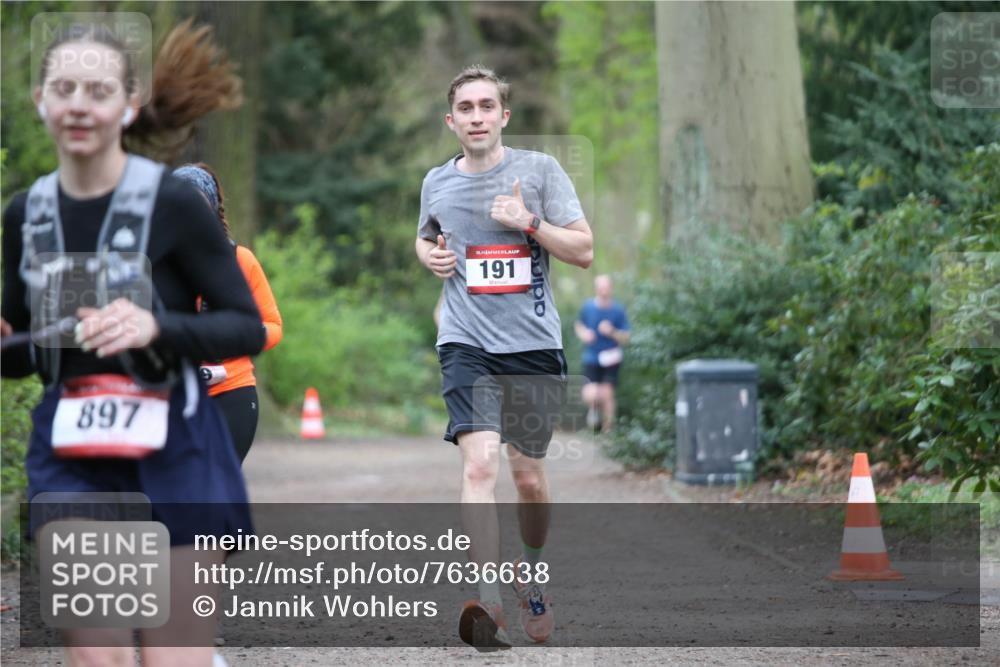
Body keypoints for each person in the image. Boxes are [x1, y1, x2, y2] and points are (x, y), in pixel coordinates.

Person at [1, 19, 261, 667]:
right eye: (64, 87)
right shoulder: (24, 216)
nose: (79, 103)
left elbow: (245, 325)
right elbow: (25, 351)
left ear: (128, 103)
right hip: (73, 452)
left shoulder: (172, 205)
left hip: (176, 442)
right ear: (41, 100)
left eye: (97, 88)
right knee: (99, 657)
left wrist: (159, 327)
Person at [415, 65, 593, 649]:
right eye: (465, 108)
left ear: (503, 116)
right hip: (466, 343)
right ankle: (487, 597)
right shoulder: (437, 182)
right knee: (480, 467)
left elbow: (584, 250)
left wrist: (529, 222)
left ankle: (531, 574)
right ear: (451, 121)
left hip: (534, 346)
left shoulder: (540, 172)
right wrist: (431, 259)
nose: (476, 116)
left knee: (529, 478)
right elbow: (426, 235)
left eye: (486, 106)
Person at [173, 163, 283, 463]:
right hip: (172, 394)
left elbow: (273, 326)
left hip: (231, 390)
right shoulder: (153, 265)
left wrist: (235, 337)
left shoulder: (239, 259)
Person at [575, 274, 631, 433]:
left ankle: (608, 431)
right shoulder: (588, 307)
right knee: (590, 394)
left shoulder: (618, 310)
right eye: (600, 287)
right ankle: (594, 409)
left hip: (611, 357)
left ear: (611, 288)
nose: (603, 290)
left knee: (607, 394)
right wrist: (584, 334)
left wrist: (612, 331)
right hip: (591, 356)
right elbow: (579, 325)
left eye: (606, 287)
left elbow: (626, 337)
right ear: (596, 288)